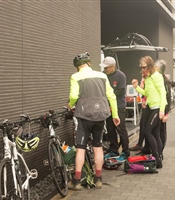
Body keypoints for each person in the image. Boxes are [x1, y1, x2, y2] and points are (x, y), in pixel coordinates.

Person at [67, 52, 120, 190]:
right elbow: (111, 96)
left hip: (84, 116)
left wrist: (71, 104)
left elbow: (74, 95)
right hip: (101, 115)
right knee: (98, 146)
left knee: (81, 148)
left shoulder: (76, 76)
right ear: (89, 63)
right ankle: (98, 179)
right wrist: (115, 114)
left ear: (77, 67)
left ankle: (76, 180)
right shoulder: (102, 76)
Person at [131, 56, 167, 168]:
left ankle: (157, 158)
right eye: (141, 67)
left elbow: (163, 92)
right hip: (151, 107)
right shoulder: (148, 77)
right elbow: (147, 93)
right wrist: (136, 87)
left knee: (148, 131)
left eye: (144, 67)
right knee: (155, 133)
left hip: (157, 108)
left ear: (150, 66)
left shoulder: (157, 76)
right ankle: (159, 157)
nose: (142, 69)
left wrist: (162, 110)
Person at [100, 56, 130, 162]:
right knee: (110, 130)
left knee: (121, 129)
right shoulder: (103, 76)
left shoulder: (120, 75)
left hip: (119, 106)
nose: (104, 70)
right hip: (107, 107)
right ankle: (114, 150)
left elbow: (121, 91)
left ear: (113, 67)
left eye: (106, 68)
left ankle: (126, 152)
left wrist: (108, 93)